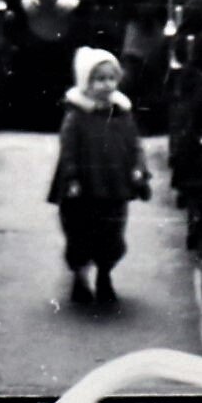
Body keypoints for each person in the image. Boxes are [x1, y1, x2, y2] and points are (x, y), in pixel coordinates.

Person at [48, 47, 149, 310]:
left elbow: (134, 143)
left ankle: (105, 274)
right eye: (100, 79)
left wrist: (138, 167)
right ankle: (80, 276)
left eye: (111, 78)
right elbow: (68, 150)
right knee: (79, 233)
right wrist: (71, 178)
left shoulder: (122, 112)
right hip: (83, 188)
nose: (107, 85)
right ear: (86, 82)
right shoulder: (76, 116)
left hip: (114, 185)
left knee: (112, 232)